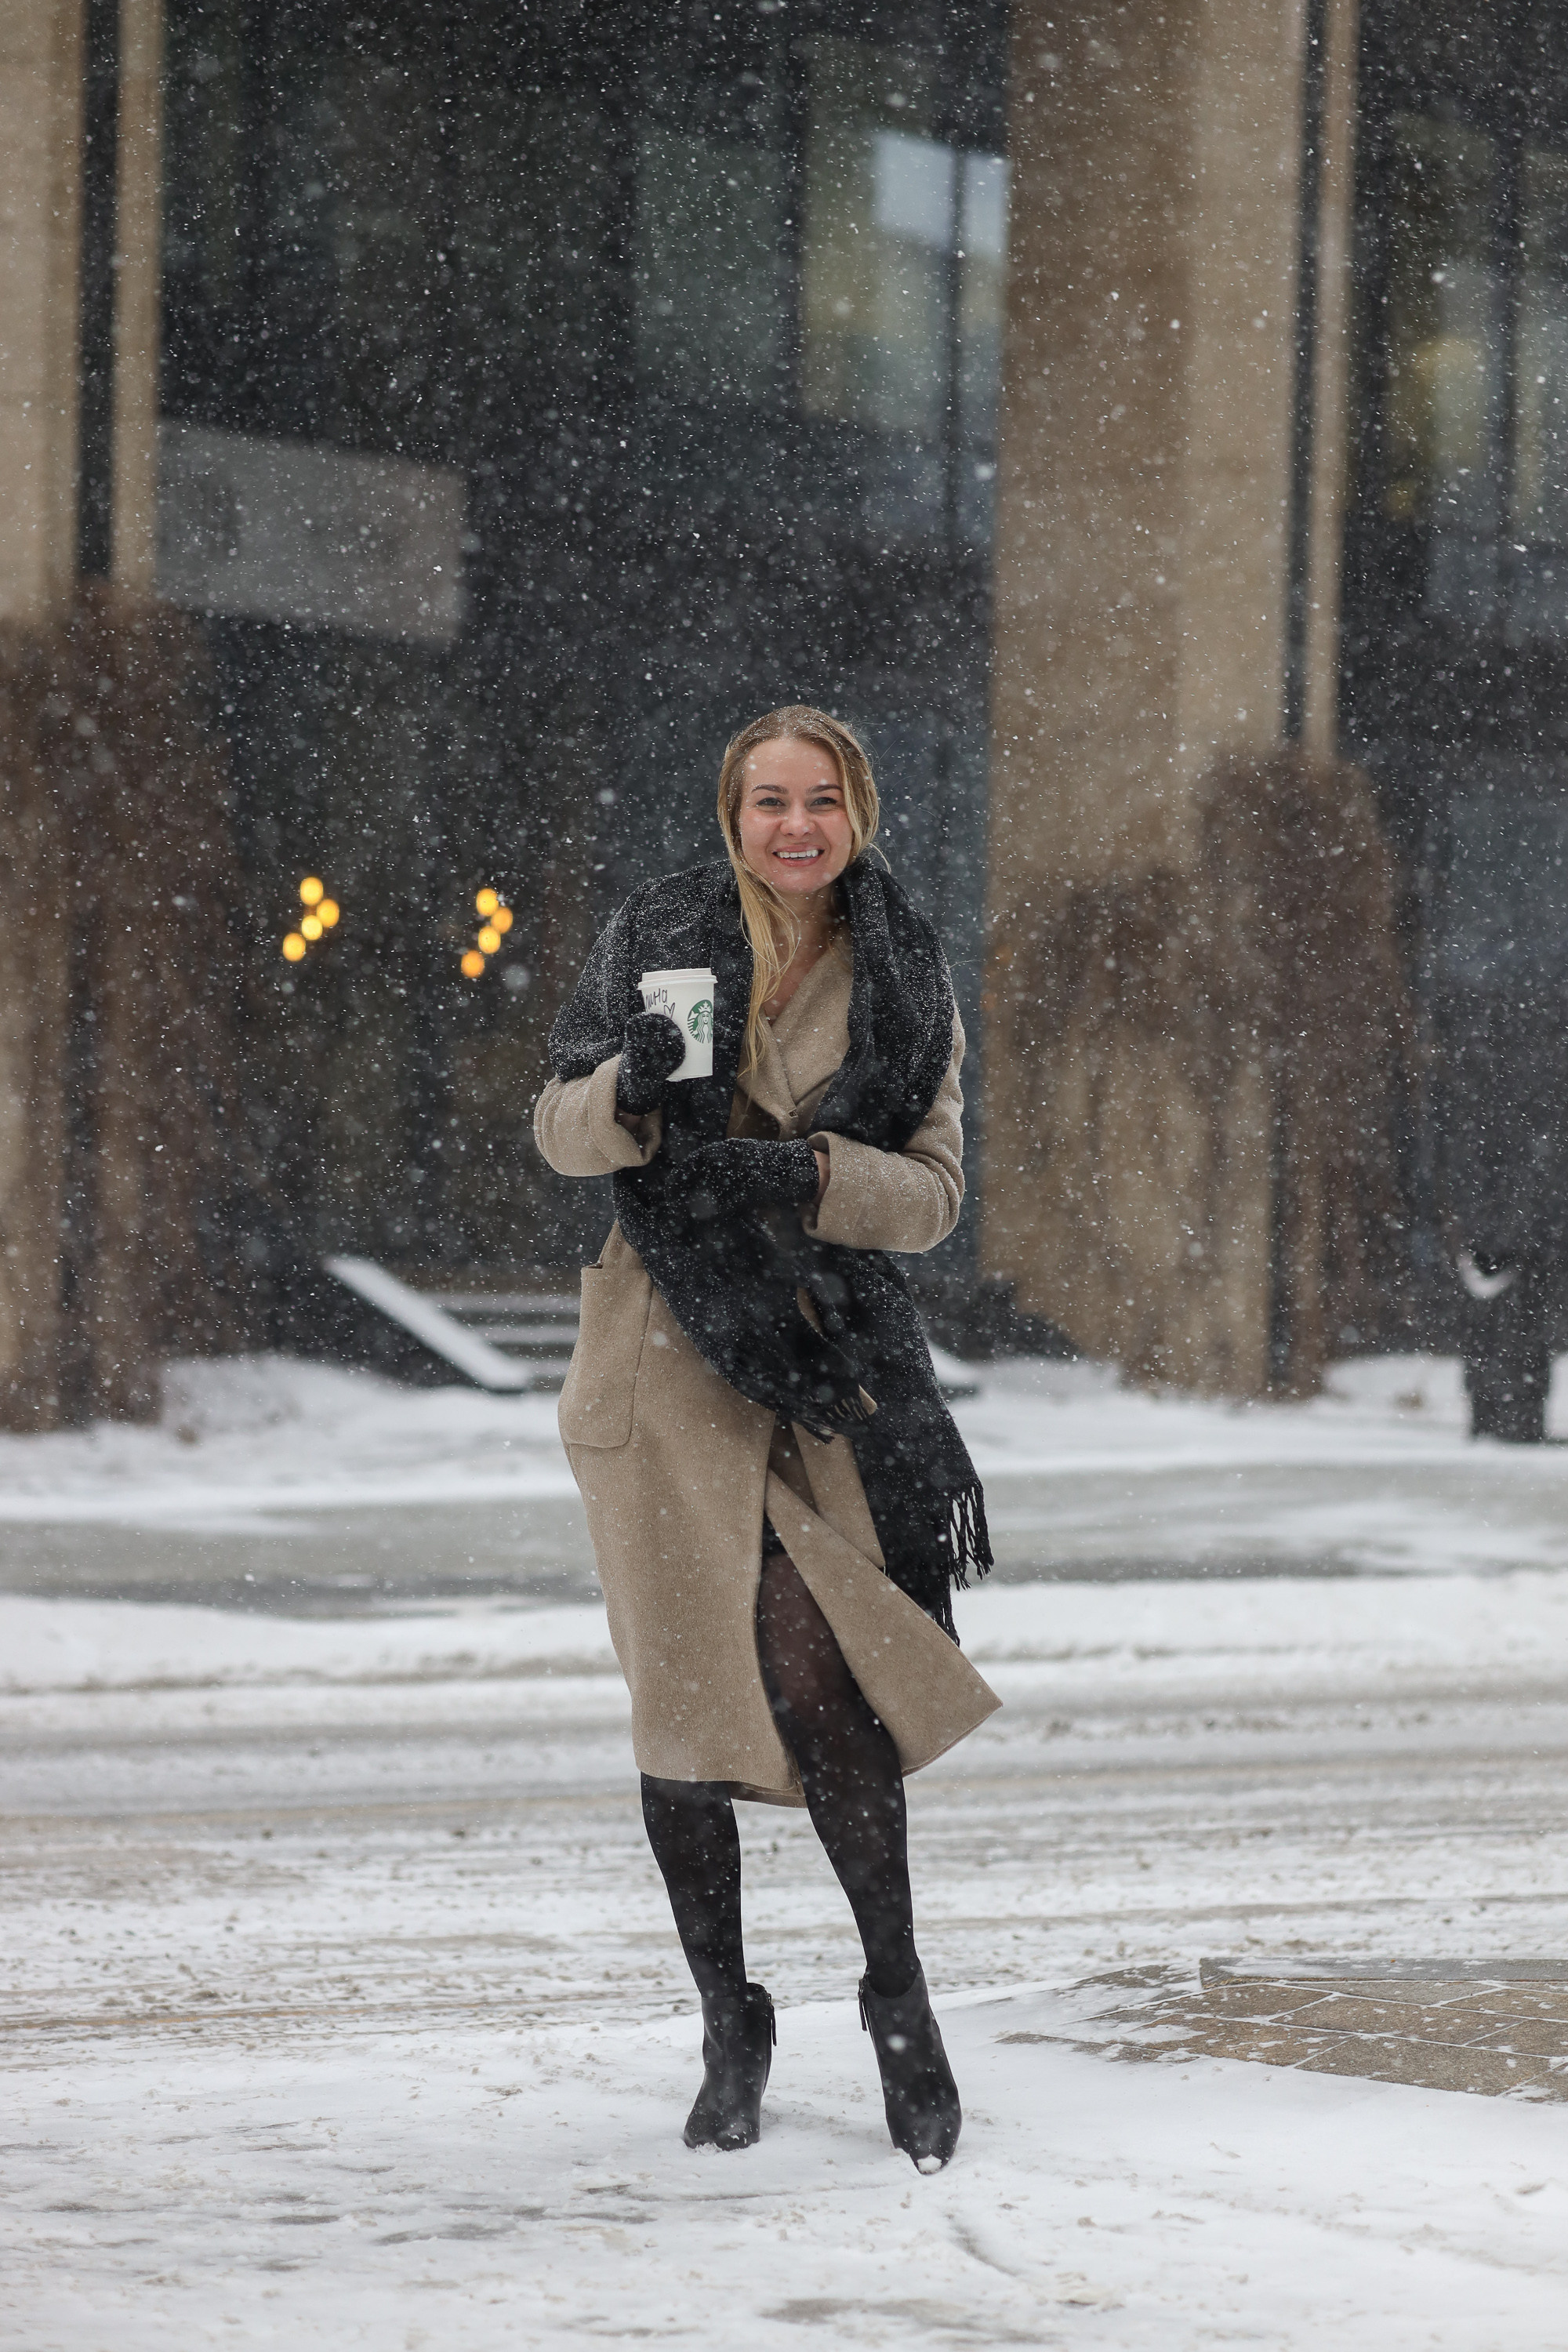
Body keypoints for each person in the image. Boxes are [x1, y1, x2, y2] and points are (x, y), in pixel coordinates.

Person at [533, 705, 1000, 2171]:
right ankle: (732, 2020)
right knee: (683, 1714)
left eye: (820, 802)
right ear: (731, 814)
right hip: (664, 1359)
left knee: (816, 1678)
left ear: (858, 811)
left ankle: (897, 1999)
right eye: (765, 802)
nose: (793, 827)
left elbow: (931, 1196)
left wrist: (807, 1176)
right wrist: (627, 1097)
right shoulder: (656, 934)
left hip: (819, 1361)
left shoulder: (911, 976)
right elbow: (553, 1127)